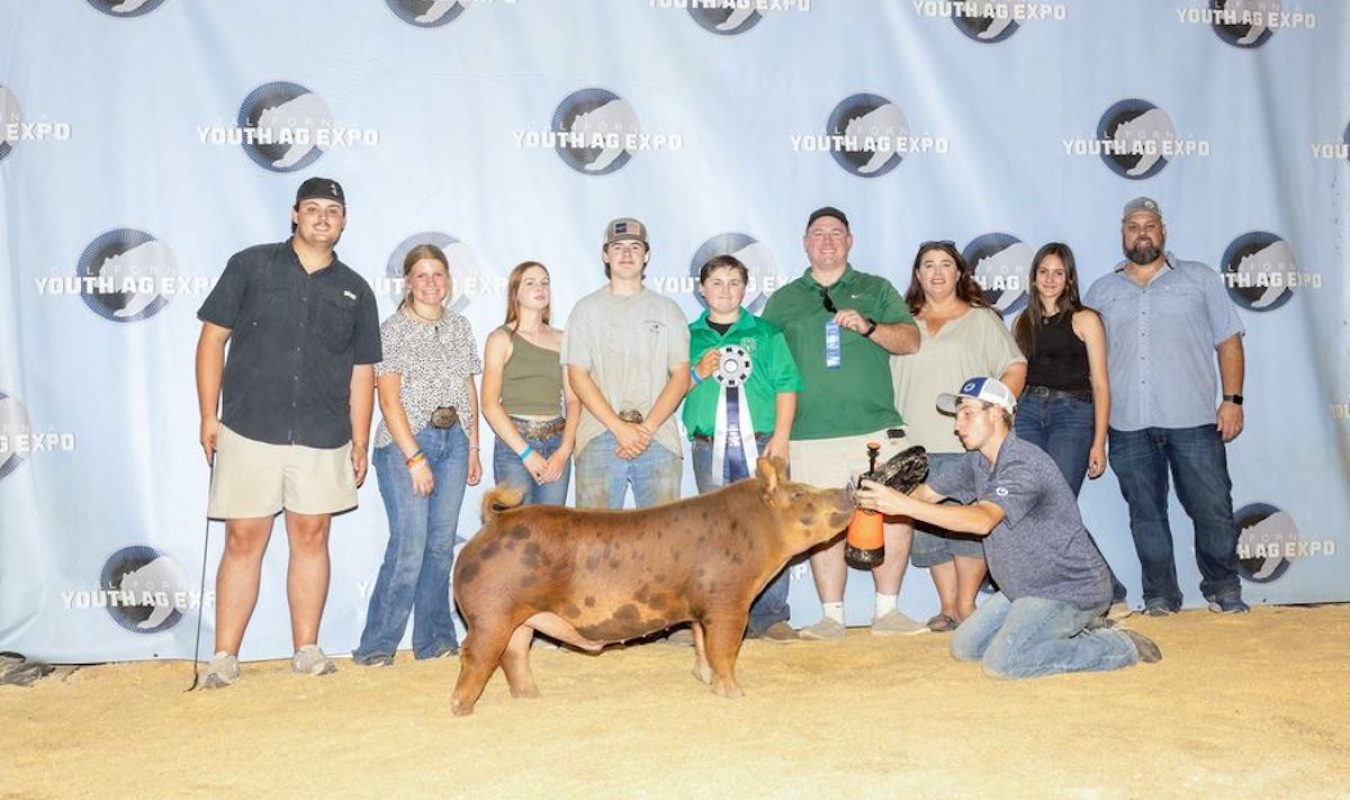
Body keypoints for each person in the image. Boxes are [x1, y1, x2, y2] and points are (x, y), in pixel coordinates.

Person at [195, 177, 380, 687]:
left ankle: (307, 648)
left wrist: (360, 438)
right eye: (313, 208)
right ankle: (224, 656)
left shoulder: (356, 289)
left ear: (343, 222)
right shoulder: (250, 265)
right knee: (243, 538)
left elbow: (363, 370)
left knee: (312, 534)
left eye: (333, 211)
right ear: (295, 214)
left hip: (324, 433)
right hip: (250, 427)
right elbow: (212, 341)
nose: (323, 217)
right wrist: (208, 415)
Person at [855, 377, 1162, 678]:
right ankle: (1071, 630)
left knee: (1004, 663)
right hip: (1023, 590)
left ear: (998, 413)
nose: (957, 425)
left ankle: (1119, 646)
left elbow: (982, 519)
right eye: (958, 415)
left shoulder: (1023, 463)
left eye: (967, 414)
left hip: (1067, 589)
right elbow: (926, 494)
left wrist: (902, 506)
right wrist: (886, 492)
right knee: (965, 647)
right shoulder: (976, 461)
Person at [761, 207, 921, 640]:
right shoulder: (784, 299)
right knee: (823, 522)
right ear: (805, 243)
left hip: (875, 427)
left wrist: (870, 327)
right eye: (818, 234)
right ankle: (832, 617)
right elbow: (763, 363)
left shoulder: (876, 288)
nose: (827, 241)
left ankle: (888, 611)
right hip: (809, 433)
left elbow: (910, 340)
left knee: (894, 514)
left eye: (836, 233)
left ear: (850, 241)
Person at [1085, 197, 1250, 616]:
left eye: (1150, 225)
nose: (1142, 232)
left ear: (1164, 231)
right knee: (1146, 515)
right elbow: (1091, 365)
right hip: (1127, 425)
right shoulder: (1101, 291)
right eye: (1133, 226)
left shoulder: (1200, 279)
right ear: (1123, 234)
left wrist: (1232, 400)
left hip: (1193, 419)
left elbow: (1228, 340)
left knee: (1212, 508)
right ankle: (1160, 595)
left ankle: (1223, 587)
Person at [351, 243, 482, 667]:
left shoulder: (460, 326)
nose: (431, 283)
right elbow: (388, 400)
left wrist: (474, 445)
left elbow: (468, 390)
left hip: (455, 440)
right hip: (407, 443)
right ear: (407, 282)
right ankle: (376, 645)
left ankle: (435, 639)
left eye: (438, 274)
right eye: (422, 275)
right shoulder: (391, 330)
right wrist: (414, 458)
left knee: (441, 547)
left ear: (449, 281)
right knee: (409, 544)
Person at [891, 241, 1026, 632]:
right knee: (929, 532)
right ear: (917, 274)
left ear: (959, 273)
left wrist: (996, 417)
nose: (936, 272)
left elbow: (1014, 367)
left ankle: (967, 605)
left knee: (967, 527)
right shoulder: (900, 323)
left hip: (966, 445)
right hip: (912, 445)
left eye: (945, 264)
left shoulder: (981, 319)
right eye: (928, 265)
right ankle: (948, 607)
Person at [684, 254, 802, 642]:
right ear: (702, 290)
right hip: (708, 447)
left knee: (772, 529)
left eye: (734, 282)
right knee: (715, 533)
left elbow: (787, 385)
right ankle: (716, 613)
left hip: (764, 444)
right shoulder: (687, 337)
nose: (725, 290)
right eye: (716, 282)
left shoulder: (766, 333)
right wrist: (695, 374)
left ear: (745, 288)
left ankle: (772, 615)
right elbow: (670, 391)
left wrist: (782, 437)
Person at [1011, 243, 1129, 614]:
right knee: (1032, 507)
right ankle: (1068, 590)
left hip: (1073, 414)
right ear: (1033, 277)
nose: (1049, 279)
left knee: (1056, 507)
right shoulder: (1021, 323)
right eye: (1043, 272)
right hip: (1027, 412)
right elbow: (1015, 377)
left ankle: (1109, 590)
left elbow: (1101, 384)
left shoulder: (1086, 319)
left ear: (1069, 279)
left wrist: (1099, 442)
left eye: (1058, 273)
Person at [562, 218, 690, 509]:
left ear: (647, 255)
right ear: (605, 255)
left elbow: (680, 375)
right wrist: (618, 427)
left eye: (635, 247)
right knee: (595, 545)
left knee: (662, 544)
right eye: (618, 247)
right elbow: (578, 376)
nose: (627, 254)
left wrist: (647, 428)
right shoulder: (585, 310)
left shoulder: (668, 310)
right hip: (598, 435)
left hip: (658, 438)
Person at [481, 261, 580, 506]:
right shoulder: (501, 338)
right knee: (516, 534)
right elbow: (489, 404)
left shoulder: (562, 338)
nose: (540, 287)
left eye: (545, 282)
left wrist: (564, 451)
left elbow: (573, 399)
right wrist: (526, 453)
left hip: (556, 441)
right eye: (531, 282)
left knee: (552, 534)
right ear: (515, 292)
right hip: (515, 445)